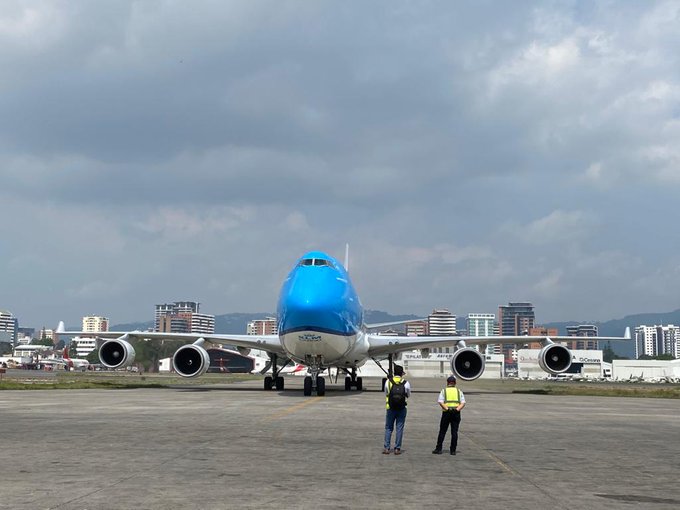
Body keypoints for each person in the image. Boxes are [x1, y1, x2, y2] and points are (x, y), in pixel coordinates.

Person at [432, 375, 465, 455]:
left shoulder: (444, 391)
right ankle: (453, 450)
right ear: (455, 383)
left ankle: (439, 448)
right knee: (454, 432)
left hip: (446, 413)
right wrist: (457, 409)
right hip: (456, 413)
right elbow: (463, 403)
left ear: (447, 383)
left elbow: (440, 401)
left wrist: (447, 409)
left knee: (442, 431)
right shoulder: (458, 391)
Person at [383, 365, 411, 455]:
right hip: (402, 408)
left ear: (394, 373)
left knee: (388, 428)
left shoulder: (388, 382)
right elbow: (408, 394)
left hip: (390, 408)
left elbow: (386, 392)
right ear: (401, 373)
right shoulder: (406, 383)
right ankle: (397, 448)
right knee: (399, 428)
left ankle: (387, 448)